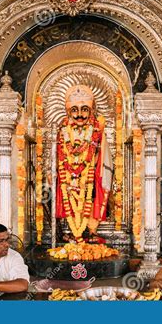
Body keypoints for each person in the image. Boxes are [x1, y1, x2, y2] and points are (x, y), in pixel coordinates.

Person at [56, 85, 113, 243]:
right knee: (70, 198)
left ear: (91, 110)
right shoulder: (62, 132)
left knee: (92, 198)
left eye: (84, 109)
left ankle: (92, 231)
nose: (79, 115)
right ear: (68, 112)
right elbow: (59, 153)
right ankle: (74, 232)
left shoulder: (96, 131)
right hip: (68, 174)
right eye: (75, 110)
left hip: (91, 173)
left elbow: (103, 154)